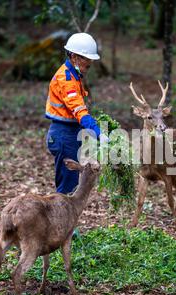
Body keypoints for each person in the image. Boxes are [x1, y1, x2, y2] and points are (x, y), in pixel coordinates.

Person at [45, 32, 108, 194]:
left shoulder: (74, 74)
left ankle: (63, 217)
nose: (90, 64)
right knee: (67, 189)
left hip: (69, 133)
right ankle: (60, 218)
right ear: (74, 57)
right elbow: (79, 110)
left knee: (71, 184)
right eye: (87, 60)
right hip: (63, 135)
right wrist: (98, 132)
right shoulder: (66, 79)